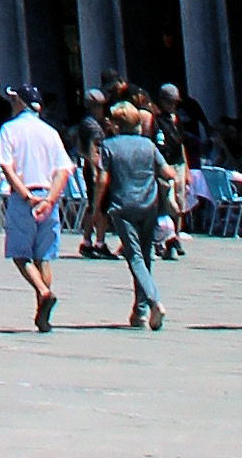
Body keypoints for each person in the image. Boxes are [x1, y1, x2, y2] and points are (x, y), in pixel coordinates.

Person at [0, 86, 67, 337]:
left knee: (20, 254)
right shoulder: (51, 132)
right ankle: (42, 314)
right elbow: (63, 170)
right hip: (48, 196)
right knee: (43, 256)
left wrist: (26, 195)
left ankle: (43, 293)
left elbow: (6, 166)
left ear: (20, 103)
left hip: (25, 197)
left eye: (13, 99)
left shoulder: (9, 129)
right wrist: (49, 199)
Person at [93, 93, 168, 330]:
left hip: (122, 207)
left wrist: (96, 209)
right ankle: (140, 311)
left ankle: (154, 300)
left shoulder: (108, 146)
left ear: (116, 125)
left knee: (134, 257)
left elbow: (102, 180)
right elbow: (169, 173)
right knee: (145, 258)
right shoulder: (148, 145)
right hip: (149, 206)